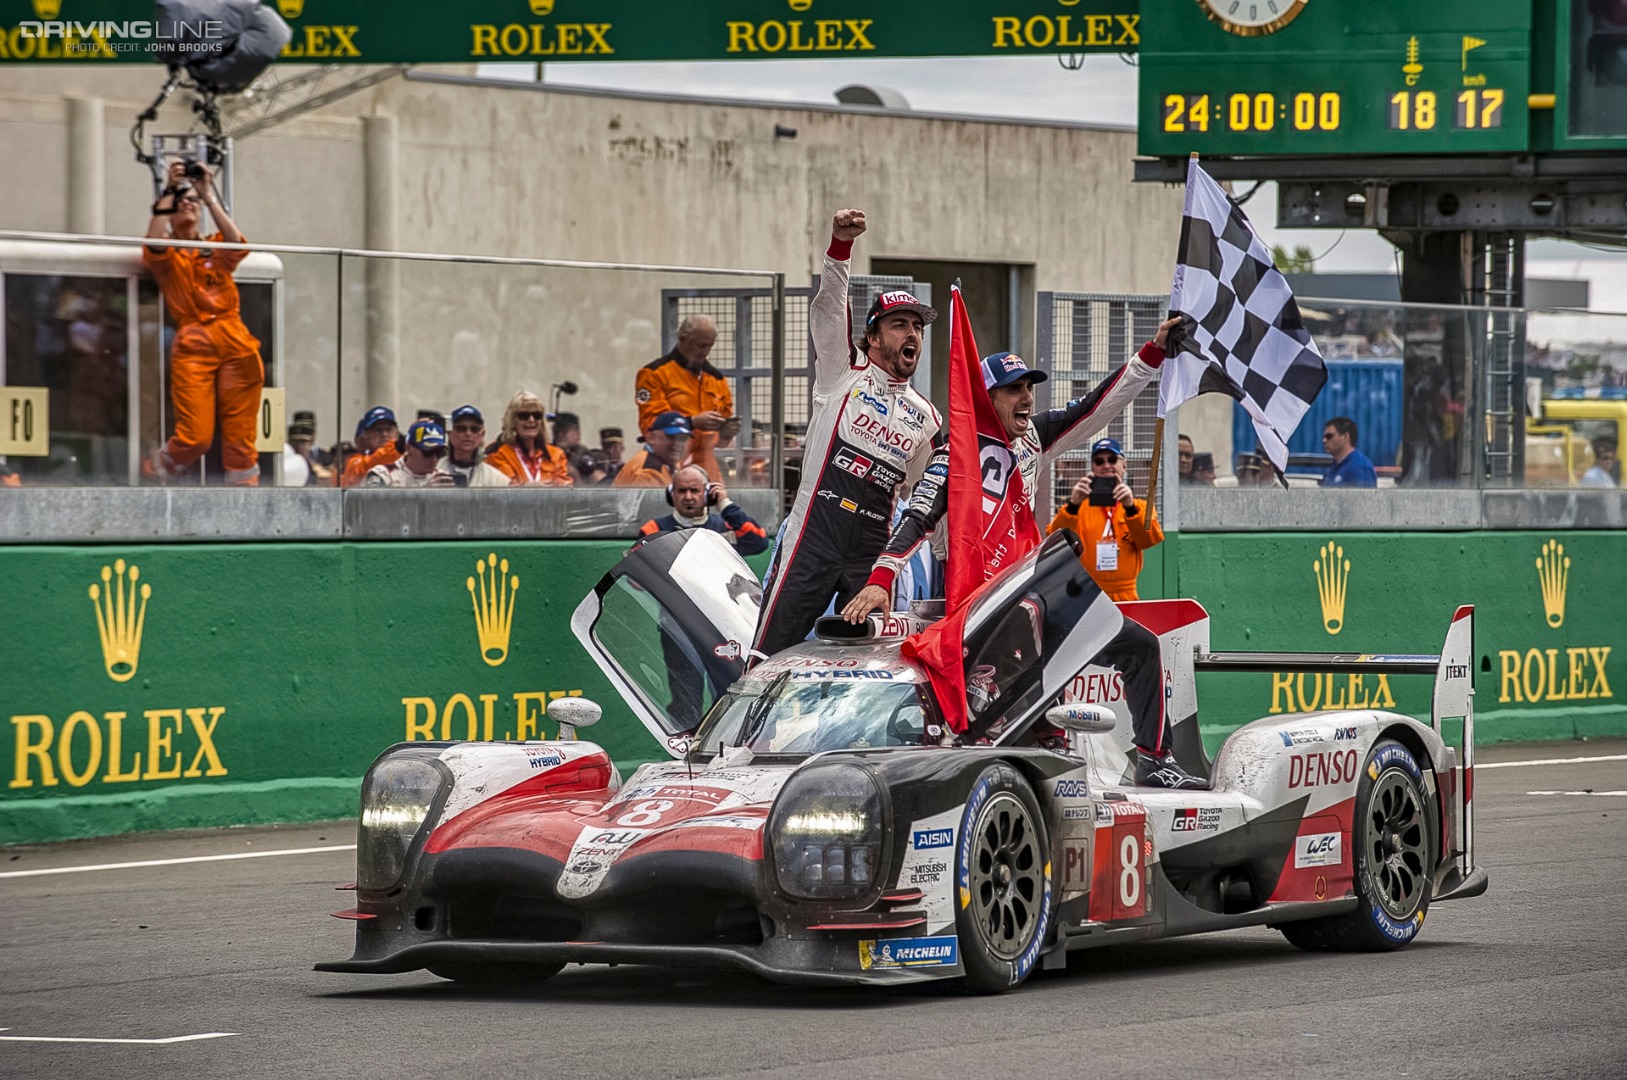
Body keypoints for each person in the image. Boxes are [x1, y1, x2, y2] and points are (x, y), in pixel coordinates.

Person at [842, 341, 1201, 790]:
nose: (1027, 397)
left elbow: (1097, 406)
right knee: (1007, 711)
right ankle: (1034, 752)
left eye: (1030, 386)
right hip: (979, 612)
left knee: (1140, 646)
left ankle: (1154, 759)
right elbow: (918, 516)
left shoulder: (1032, 437)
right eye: (1013, 389)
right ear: (986, 398)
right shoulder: (955, 452)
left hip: (1034, 588)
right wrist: (881, 578)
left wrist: (1151, 354)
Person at [751, 208, 945, 658]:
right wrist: (841, 246)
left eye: (917, 326)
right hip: (812, 537)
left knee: (870, 663)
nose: (912, 332)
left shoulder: (927, 417)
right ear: (873, 338)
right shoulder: (843, 373)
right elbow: (826, 313)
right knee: (767, 657)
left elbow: (932, 498)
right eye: (900, 324)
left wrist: (949, 560)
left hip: (870, 552)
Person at [142, 160, 265, 485]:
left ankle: (244, 493)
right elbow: (153, 242)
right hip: (194, 343)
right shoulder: (169, 257)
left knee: (241, 435)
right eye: (181, 202)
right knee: (195, 436)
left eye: (190, 201)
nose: (187, 203)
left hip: (234, 339)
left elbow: (236, 242)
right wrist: (170, 189)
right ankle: (157, 469)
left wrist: (207, 194)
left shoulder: (214, 246)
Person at [1046, 438, 1164, 601]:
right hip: (1087, 594)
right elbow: (1055, 540)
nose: (1106, 465)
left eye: (1112, 459)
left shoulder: (1139, 506)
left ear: (1124, 466)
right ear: (1093, 468)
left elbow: (1149, 540)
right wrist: (1073, 505)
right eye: (1099, 461)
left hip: (1126, 595)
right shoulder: (1078, 508)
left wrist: (1129, 508)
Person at [637, 314, 739, 482]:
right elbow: (649, 427)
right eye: (700, 345)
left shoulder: (717, 380)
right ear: (683, 339)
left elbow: (720, 442)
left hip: (707, 465)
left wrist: (727, 433)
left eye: (709, 346)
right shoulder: (654, 375)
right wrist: (692, 422)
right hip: (671, 459)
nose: (705, 351)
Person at [637, 465, 769, 555]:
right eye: (682, 491)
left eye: (694, 491)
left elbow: (759, 542)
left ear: (707, 493)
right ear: (672, 494)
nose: (688, 497)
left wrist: (726, 505)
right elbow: (639, 573)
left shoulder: (728, 527)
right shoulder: (653, 529)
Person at [486, 391, 572, 486]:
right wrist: (530, 489)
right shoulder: (499, 455)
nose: (531, 420)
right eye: (524, 416)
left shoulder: (556, 455)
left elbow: (565, 489)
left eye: (537, 415)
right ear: (513, 421)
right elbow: (505, 491)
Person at [362, 419, 454, 487]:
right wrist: (425, 494)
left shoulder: (443, 477)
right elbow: (373, 509)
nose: (434, 459)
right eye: (428, 453)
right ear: (409, 448)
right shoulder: (383, 474)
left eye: (439, 453)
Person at [614, 411, 692, 487]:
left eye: (683, 439)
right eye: (671, 437)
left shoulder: (669, 461)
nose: (677, 443)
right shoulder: (648, 472)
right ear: (652, 438)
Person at [438, 405, 510, 487]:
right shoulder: (434, 470)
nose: (468, 433)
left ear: (482, 434)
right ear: (449, 433)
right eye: (461, 428)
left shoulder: (497, 480)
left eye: (474, 429)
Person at [340, 406, 401, 487]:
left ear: (396, 432)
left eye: (389, 429)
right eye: (378, 430)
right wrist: (400, 446)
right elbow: (379, 458)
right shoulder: (355, 463)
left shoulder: (408, 456)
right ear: (366, 434)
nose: (384, 434)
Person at [1320, 416, 1377, 488]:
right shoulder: (1335, 467)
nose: (1324, 441)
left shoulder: (1359, 468)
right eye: (1324, 437)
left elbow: (1366, 498)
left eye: (1329, 436)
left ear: (1345, 437)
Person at [279, 412, 316, 487]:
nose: (299, 447)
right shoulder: (284, 462)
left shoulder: (315, 467)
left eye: (303, 443)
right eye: (294, 443)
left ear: (311, 443)